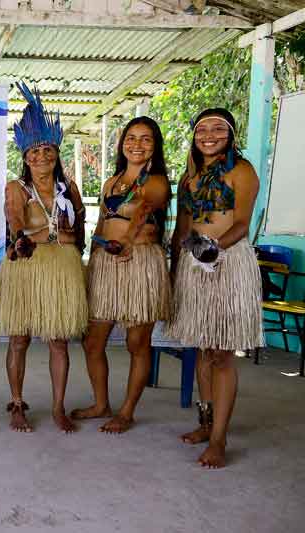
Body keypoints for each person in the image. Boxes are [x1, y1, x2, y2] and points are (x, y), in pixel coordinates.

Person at [167, 108, 263, 469]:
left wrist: (214, 249)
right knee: (203, 349)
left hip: (228, 262)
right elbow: (182, 228)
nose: (209, 134)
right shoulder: (188, 178)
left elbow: (241, 223)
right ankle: (205, 424)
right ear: (194, 135)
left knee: (221, 354)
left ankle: (220, 438)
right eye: (202, 129)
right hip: (193, 263)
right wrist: (176, 270)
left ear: (231, 134)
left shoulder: (242, 170)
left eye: (218, 128)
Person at [0, 82, 87, 433]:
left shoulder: (70, 188)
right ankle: (17, 403)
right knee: (19, 338)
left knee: (58, 340)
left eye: (47, 150)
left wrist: (58, 236)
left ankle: (58, 408)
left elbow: (78, 232)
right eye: (33, 152)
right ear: (24, 156)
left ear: (56, 152)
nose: (41, 157)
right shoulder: (16, 188)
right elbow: (16, 224)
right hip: (27, 268)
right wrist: (44, 235)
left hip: (62, 270)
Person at [72, 116, 172, 434]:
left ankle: (127, 411)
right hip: (105, 263)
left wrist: (128, 240)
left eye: (145, 139)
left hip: (140, 263)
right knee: (92, 341)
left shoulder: (155, 181)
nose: (137, 144)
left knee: (137, 343)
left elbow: (145, 208)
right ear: (122, 143)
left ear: (155, 146)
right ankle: (101, 403)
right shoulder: (111, 182)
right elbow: (102, 222)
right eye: (131, 138)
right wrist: (92, 259)